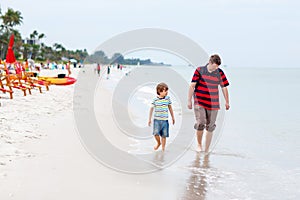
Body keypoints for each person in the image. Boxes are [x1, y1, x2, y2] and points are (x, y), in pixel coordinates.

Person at [187, 54, 230, 153]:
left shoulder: (219, 73)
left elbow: (224, 87)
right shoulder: (199, 70)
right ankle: (198, 144)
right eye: (215, 66)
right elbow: (192, 85)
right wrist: (189, 100)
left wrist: (227, 101)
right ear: (210, 63)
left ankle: (206, 149)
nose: (216, 68)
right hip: (199, 101)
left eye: (218, 67)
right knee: (201, 122)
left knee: (210, 126)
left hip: (213, 103)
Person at [148, 83, 175, 151]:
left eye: (167, 90)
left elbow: (170, 108)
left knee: (164, 135)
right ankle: (158, 143)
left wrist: (173, 117)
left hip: (165, 120)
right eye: (165, 90)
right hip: (157, 120)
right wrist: (149, 119)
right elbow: (151, 109)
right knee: (155, 134)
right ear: (159, 91)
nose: (167, 92)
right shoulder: (155, 100)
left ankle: (163, 148)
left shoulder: (167, 99)